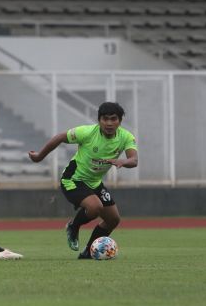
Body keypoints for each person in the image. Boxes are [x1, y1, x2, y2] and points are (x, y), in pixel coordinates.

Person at [28, 102, 138, 259]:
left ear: (120, 121)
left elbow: (134, 160)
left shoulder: (126, 137)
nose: (109, 123)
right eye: (105, 119)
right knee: (95, 207)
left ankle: (88, 252)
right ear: (99, 120)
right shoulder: (87, 132)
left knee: (113, 219)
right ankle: (73, 226)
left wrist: (123, 162)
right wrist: (39, 157)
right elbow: (60, 137)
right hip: (73, 179)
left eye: (113, 119)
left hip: (94, 183)